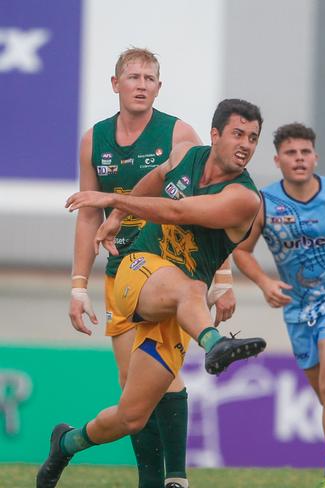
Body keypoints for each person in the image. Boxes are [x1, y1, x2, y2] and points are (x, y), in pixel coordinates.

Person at [37, 98, 267, 488]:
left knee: (132, 414)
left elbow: (177, 212)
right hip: (136, 270)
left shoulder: (244, 198)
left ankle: (66, 441)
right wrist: (118, 219)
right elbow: (157, 177)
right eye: (237, 134)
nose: (246, 144)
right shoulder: (183, 155)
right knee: (191, 287)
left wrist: (112, 199)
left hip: (177, 306)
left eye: (254, 138)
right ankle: (213, 344)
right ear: (215, 135)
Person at [68, 47, 236, 488]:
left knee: (164, 372)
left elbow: (210, 207)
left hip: (171, 271)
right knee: (132, 391)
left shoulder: (179, 133)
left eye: (149, 78)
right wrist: (78, 286)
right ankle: (149, 479)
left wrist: (221, 278)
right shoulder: (93, 139)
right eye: (133, 77)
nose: (141, 84)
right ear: (115, 84)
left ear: (159, 87)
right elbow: (89, 214)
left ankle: (175, 479)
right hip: (120, 275)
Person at [232, 123, 325, 488]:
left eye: (304, 152)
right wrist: (265, 281)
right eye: (290, 153)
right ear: (278, 160)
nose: (299, 159)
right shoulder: (264, 203)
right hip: (298, 307)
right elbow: (241, 250)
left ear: (315, 156)